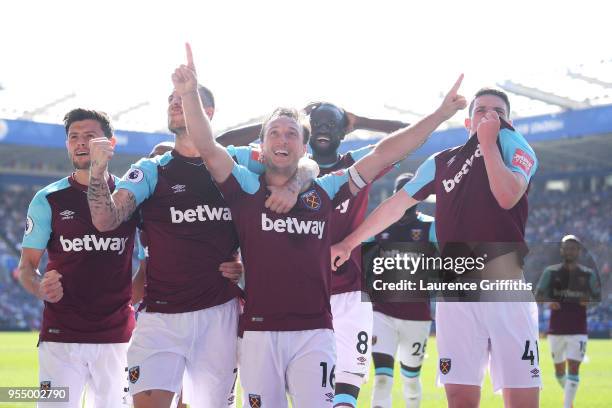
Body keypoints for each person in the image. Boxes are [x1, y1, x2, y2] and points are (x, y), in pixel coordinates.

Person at [172, 45, 466, 407]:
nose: (282, 139)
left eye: (292, 134)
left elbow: (386, 153)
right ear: (260, 147)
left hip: (315, 331)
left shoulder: (326, 189)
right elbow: (207, 145)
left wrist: (440, 114)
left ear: (304, 148)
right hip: (259, 331)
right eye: (274, 133)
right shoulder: (246, 187)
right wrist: (188, 94)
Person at [86, 45, 312, 407]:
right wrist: (97, 173)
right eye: (171, 100)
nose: (176, 103)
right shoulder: (151, 169)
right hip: (161, 317)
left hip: (219, 315)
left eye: (184, 99)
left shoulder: (238, 160)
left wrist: (294, 186)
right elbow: (105, 218)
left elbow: (305, 163)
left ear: (206, 112)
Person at [332, 87, 540, 408]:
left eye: (498, 111)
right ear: (468, 121)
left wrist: (488, 144)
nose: (489, 115)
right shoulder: (442, 161)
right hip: (455, 291)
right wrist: (349, 242)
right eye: (481, 110)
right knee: (458, 396)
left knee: (521, 398)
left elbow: (507, 195)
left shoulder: (516, 146)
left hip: (503, 283)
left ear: (508, 120)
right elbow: (396, 206)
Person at [217, 101, 409, 407]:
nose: (323, 129)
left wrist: (363, 120)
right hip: (292, 301)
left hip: (347, 294)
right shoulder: (272, 164)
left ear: (345, 131)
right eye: (317, 123)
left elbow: (406, 140)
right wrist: (271, 125)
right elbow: (217, 146)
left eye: (332, 124)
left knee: (344, 394)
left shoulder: (353, 164)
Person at [17, 108, 137, 408]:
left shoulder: (129, 195)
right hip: (60, 340)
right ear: (67, 145)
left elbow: (152, 260)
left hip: (117, 339)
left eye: (90, 136)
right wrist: (40, 286)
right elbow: (27, 269)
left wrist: (125, 302)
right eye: (74, 137)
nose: (81, 143)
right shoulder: (47, 198)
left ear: (110, 143)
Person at [370, 173, 437, 408]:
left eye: (410, 191)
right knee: (381, 378)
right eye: (401, 190)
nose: (404, 195)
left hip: (416, 316)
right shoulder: (378, 223)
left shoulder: (430, 226)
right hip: (382, 312)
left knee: (411, 382)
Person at [535, 234, 600, 408]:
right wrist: (549, 302)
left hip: (578, 329)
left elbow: (596, 296)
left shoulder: (587, 274)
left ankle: (567, 405)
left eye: (573, 248)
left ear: (578, 251)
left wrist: (590, 301)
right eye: (566, 247)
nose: (570, 251)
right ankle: (569, 399)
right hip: (556, 329)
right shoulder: (551, 272)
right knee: (559, 373)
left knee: (573, 369)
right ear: (561, 250)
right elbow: (538, 295)